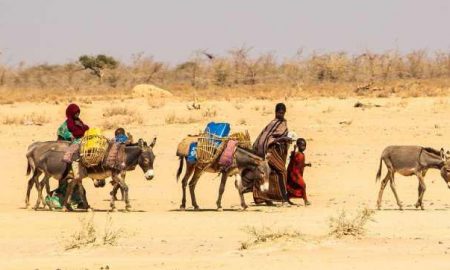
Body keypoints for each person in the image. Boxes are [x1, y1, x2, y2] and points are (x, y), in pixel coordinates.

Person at [252, 103, 295, 205]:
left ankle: (266, 197)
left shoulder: (283, 123)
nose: (281, 114)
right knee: (282, 171)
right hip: (269, 152)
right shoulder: (273, 123)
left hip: (278, 152)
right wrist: (282, 138)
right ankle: (284, 198)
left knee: (272, 174)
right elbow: (267, 138)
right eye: (279, 112)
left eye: (283, 113)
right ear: (276, 112)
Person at [287, 138, 311, 205]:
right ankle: (305, 200)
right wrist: (294, 150)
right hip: (294, 174)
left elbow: (300, 164)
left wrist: (306, 164)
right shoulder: (297, 154)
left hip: (298, 174)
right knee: (303, 185)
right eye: (302, 146)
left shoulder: (302, 154)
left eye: (304, 146)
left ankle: (287, 198)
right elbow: (292, 159)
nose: (303, 147)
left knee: (294, 186)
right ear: (298, 146)